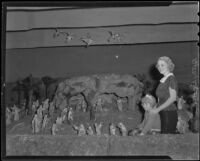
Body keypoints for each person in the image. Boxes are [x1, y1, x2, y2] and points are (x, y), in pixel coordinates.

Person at [150, 56, 178, 134]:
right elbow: (161, 98)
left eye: (162, 65)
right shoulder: (163, 80)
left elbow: (173, 98)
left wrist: (157, 109)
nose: (159, 67)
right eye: (158, 65)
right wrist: (155, 107)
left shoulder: (171, 79)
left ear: (169, 66)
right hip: (163, 111)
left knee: (167, 136)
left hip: (169, 112)